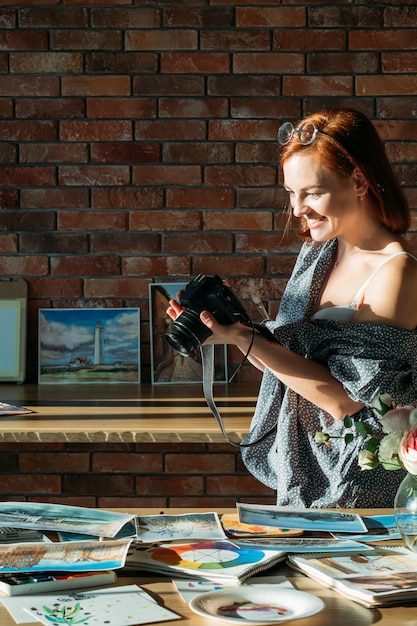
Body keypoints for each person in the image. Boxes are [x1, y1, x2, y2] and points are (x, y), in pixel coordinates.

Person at [167, 108, 417, 508]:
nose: (299, 208)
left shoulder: (395, 271)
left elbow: (344, 400)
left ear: (358, 180)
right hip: (306, 472)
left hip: (359, 484)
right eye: (290, 193)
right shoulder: (319, 254)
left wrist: (246, 338)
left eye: (313, 193)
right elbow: (292, 374)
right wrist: (227, 332)